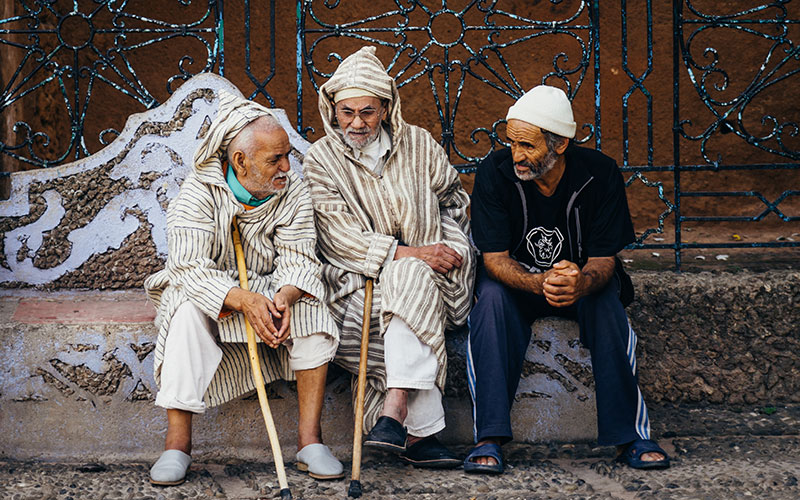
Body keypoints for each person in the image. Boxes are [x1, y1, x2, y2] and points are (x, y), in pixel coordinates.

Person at [466, 85, 670, 473]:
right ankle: (488, 437)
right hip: (518, 283)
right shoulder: (494, 172)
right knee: (489, 301)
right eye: (511, 143)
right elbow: (493, 259)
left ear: (559, 145)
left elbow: (604, 259)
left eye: (527, 145)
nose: (516, 155)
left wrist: (579, 281)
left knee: (607, 302)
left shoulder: (600, 172)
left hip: (581, 283)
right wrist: (539, 281)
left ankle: (631, 434)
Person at [144, 92, 343, 485]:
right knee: (184, 313)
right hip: (215, 292)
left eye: (287, 155)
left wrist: (285, 297)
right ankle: (177, 445)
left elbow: (301, 258)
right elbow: (187, 267)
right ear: (240, 161)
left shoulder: (293, 190)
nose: (287, 166)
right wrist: (242, 299)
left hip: (272, 289)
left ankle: (309, 443)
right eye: (275, 159)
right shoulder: (198, 194)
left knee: (314, 310)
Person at [302, 46, 475, 468]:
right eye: (347, 112)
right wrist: (412, 254)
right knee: (406, 275)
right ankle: (420, 433)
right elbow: (336, 235)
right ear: (333, 110)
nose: (357, 123)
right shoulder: (320, 160)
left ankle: (393, 415)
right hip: (354, 287)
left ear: (386, 107)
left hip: (438, 279)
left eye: (368, 111)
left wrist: (444, 244)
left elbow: (453, 203)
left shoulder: (419, 144)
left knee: (411, 278)